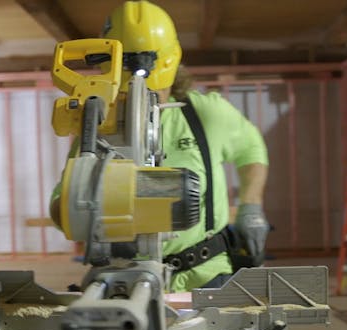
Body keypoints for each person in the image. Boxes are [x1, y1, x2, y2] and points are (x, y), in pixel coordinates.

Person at [100, 0, 270, 292]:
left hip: (204, 275)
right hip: (124, 276)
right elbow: (64, 196)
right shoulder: (100, 126)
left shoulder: (206, 114)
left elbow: (251, 148)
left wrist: (250, 207)